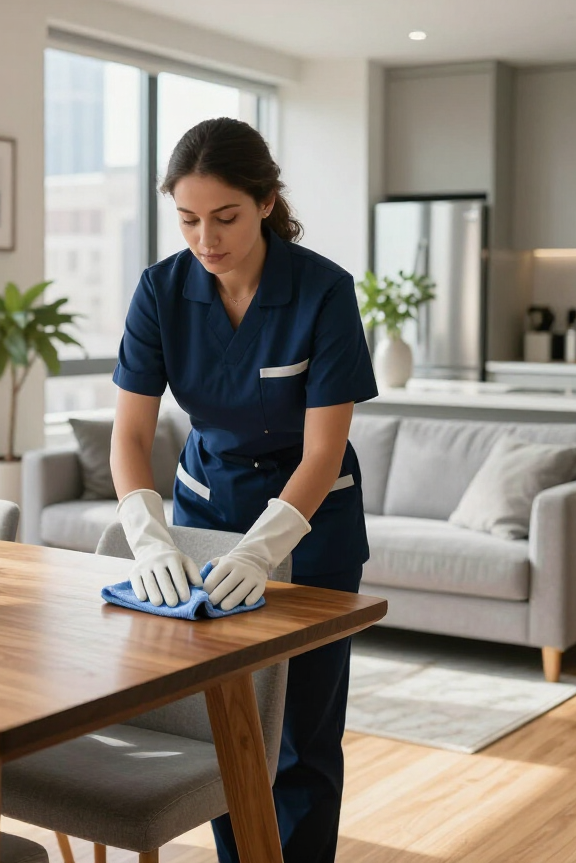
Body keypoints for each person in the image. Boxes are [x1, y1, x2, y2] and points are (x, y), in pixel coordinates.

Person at [110, 117, 377, 863]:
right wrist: (147, 528)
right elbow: (130, 436)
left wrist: (265, 550)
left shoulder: (321, 291)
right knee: (228, 729)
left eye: (224, 217)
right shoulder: (161, 291)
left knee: (303, 737)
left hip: (311, 525)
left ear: (265, 202)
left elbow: (323, 448)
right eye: (188, 219)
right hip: (205, 513)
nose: (206, 238)